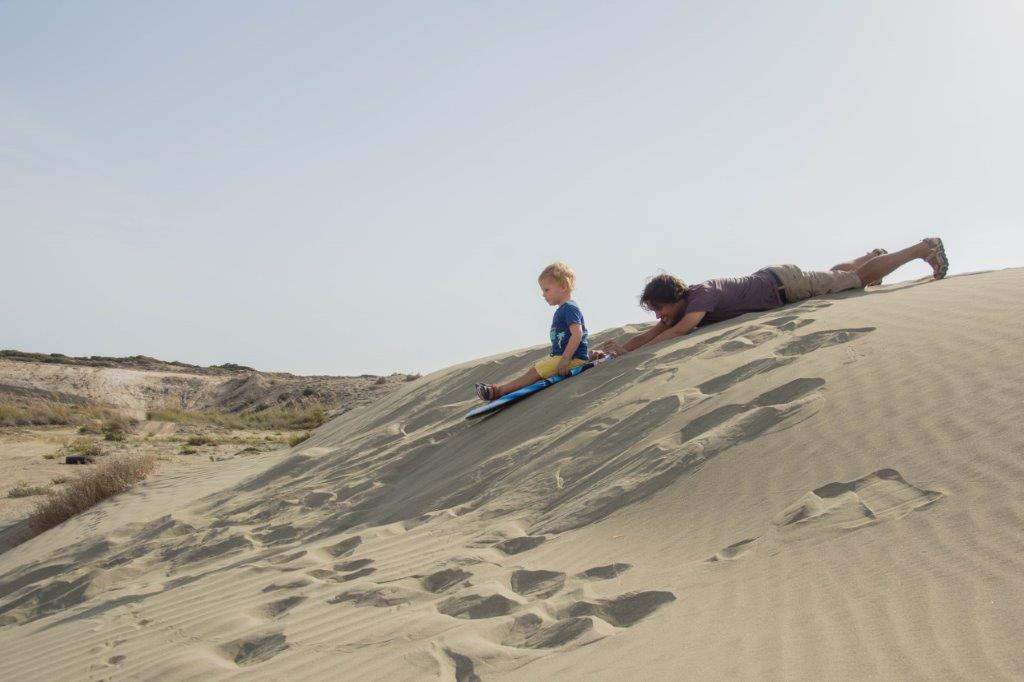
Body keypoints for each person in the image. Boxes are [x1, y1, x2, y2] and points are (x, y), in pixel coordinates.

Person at [601, 238, 948, 357]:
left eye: (660, 308)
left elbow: (677, 333)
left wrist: (636, 354)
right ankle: (873, 252)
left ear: (674, 298)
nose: (659, 316)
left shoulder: (699, 298)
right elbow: (654, 333)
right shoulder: (687, 303)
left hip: (786, 286)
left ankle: (922, 248)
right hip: (781, 281)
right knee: (835, 276)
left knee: (856, 280)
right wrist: (622, 350)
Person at [476, 261, 590, 401]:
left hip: (571, 359)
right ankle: (504, 389)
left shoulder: (569, 308)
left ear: (563, 287)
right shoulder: (563, 309)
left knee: (534, 372)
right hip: (561, 358)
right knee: (536, 371)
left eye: (546, 290)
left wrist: (565, 359)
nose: (543, 294)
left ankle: (499, 391)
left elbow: (577, 334)